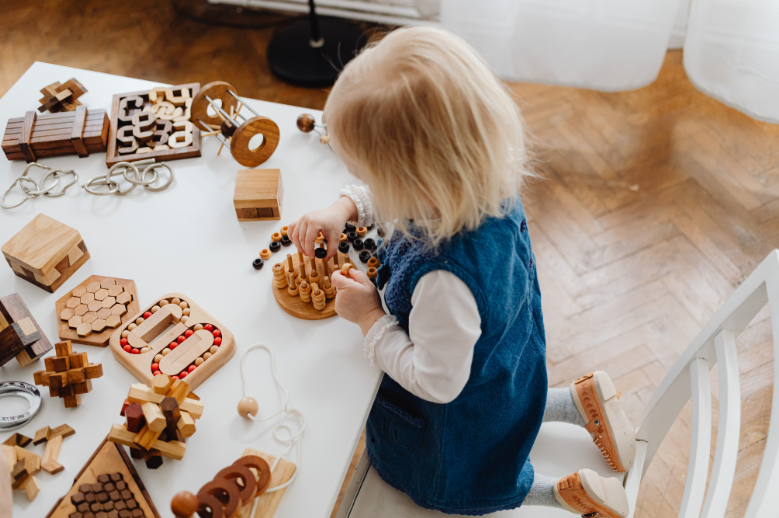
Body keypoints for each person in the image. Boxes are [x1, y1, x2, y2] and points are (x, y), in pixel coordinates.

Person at [288, 26, 635, 517]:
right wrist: (346, 205)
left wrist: (369, 317)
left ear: (416, 185)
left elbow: (436, 383)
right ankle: (572, 403)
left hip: (452, 413)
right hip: (506, 367)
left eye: (369, 178)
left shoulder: (444, 283)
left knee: (461, 482)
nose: (365, 185)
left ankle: (557, 493)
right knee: (502, 418)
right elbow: (404, 200)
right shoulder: (480, 176)